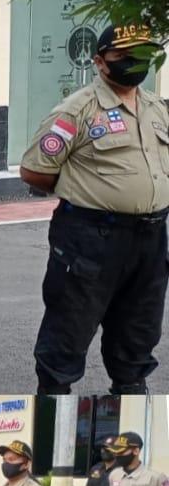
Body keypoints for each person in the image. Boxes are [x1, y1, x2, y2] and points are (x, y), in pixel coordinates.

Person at [20, 24, 169, 393]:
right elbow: (35, 170)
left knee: (137, 340)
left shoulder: (157, 108)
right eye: (123, 55)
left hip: (150, 240)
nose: (134, 61)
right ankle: (53, 408)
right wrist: (86, 192)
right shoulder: (77, 110)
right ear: (100, 62)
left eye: (142, 53)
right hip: (90, 238)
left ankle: (130, 401)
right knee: (66, 339)